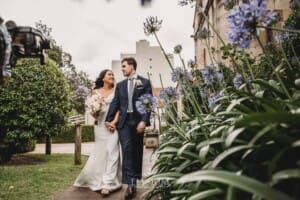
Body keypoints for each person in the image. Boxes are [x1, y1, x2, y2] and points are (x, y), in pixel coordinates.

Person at [105, 57, 152, 199]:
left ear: (132, 66)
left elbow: (147, 103)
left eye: (124, 66)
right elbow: (115, 103)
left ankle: (135, 180)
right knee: (126, 150)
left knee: (137, 151)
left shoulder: (144, 82)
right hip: (124, 123)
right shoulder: (120, 85)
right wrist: (108, 119)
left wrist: (144, 121)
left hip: (138, 122)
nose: (122, 69)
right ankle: (130, 185)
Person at [74, 69, 122, 197]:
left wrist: (114, 122)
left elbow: (119, 109)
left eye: (113, 74)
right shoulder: (95, 92)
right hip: (100, 126)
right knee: (100, 153)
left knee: (113, 152)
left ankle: (108, 183)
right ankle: (97, 179)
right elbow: (92, 112)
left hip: (113, 126)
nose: (112, 76)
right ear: (103, 78)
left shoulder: (116, 91)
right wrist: (95, 110)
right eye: (109, 74)